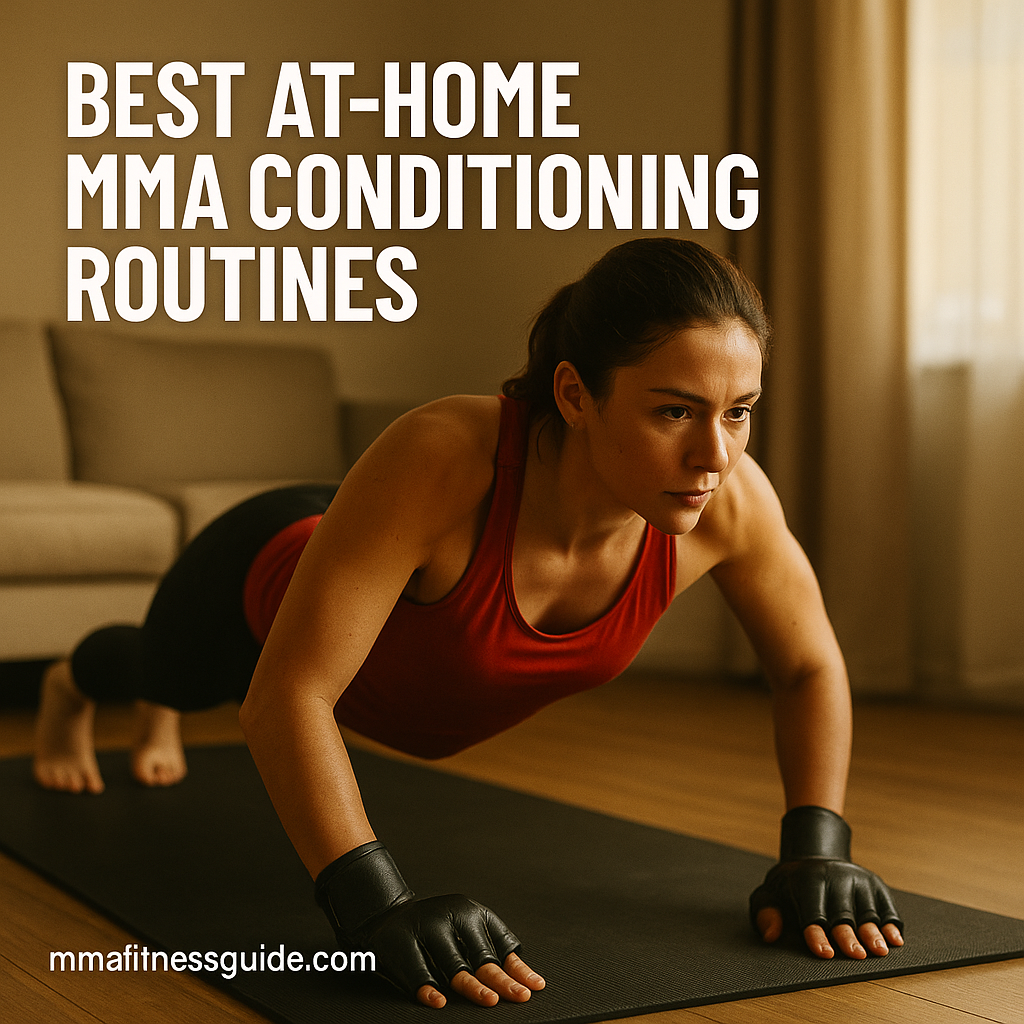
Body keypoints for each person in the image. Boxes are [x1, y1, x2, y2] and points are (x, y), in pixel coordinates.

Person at [34, 238, 904, 1010]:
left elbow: (808, 667)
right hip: (260, 572)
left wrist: (817, 844)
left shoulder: (729, 505)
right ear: (574, 394)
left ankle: (152, 713)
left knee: (193, 691)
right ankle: (71, 685)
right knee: (167, 673)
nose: (714, 455)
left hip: (377, 569)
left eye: (739, 411)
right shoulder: (446, 452)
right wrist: (372, 901)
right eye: (673, 410)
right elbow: (288, 694)